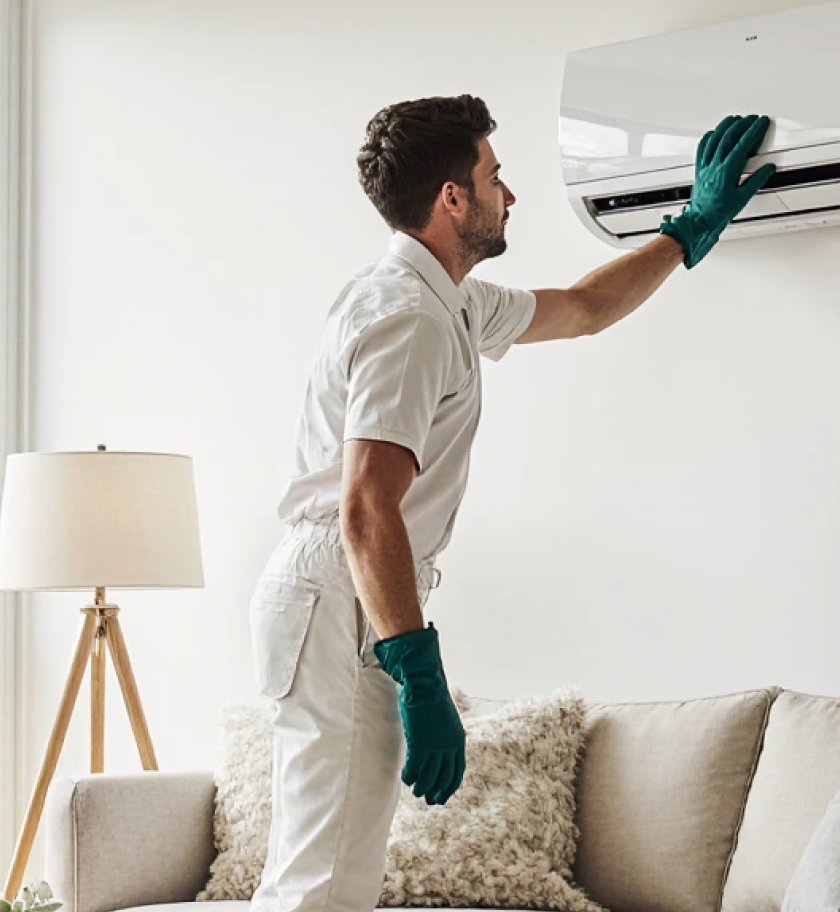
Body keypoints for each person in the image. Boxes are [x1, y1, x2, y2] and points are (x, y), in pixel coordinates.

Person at [246, 95, 775, 912]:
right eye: (495, 175)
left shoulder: (449, 299)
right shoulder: (408, 317)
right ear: (451, 198)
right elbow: (365, 510)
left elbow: (585, 308)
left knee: (332, 867)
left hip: (347, 592)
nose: (510, 194)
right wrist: (418, 672)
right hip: (344, 590)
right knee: (323, 879)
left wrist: (690, 228)